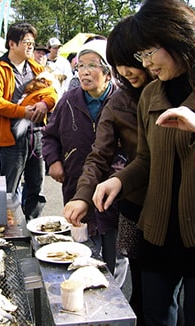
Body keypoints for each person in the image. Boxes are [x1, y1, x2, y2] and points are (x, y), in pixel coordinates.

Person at [92, 1, 195, 325]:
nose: (147, 63)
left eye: (151, 52)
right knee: (153, 315)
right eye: (142, 56)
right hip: (158, 231)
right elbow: (146, 159)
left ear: (176, 38)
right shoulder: (151, 94)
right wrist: (118, 181)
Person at [62, 16, 154, 324]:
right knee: (146, 287)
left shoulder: (168, 91)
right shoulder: (118, 103)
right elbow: (98, 154)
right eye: (119, 65)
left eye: (132, 61)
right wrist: (81, 196)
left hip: (174, 207)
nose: (126, 72)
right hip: (136, 202)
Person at [42, 39, 127, 283]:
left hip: (113, 189)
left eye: (93, 66)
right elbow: (49, 136)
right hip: (76, 183)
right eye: (80, 66)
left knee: (115, 252)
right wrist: (54, 161)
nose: (85, 72)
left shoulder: (122, 101)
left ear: (108, 72)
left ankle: (116, 302)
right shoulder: (69, 100)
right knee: (81, 248)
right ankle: (88, 295)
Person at [0, 22, 57, 220]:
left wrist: (45, 104)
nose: (31, 47)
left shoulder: (36, 67)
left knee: (36, 184)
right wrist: (22, 111)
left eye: (32, 43)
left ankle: (34, 224)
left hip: (37, 134)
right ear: (12, 44)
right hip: (11, 136)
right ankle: (8, 226)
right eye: (26, 42)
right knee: (10, 186)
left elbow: (52, 92)